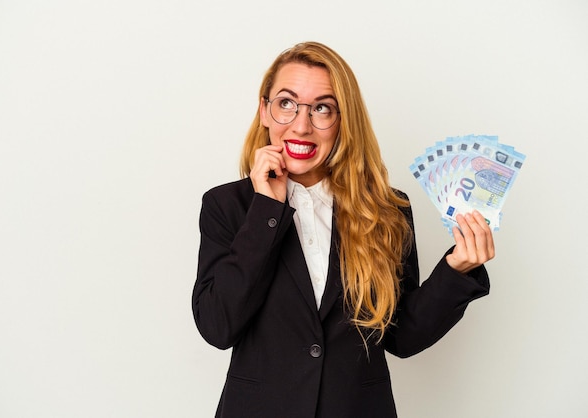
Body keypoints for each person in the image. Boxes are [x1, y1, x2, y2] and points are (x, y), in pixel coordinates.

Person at [192, 41, 495, 418]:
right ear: (264, 111)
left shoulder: (386, 209)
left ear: (343, 120)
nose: (301, 125)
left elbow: (401, 336)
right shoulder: (227, 207)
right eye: (286, 103)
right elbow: (217, 326)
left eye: (322, 108)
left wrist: (457, 271)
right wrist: (267, 209)